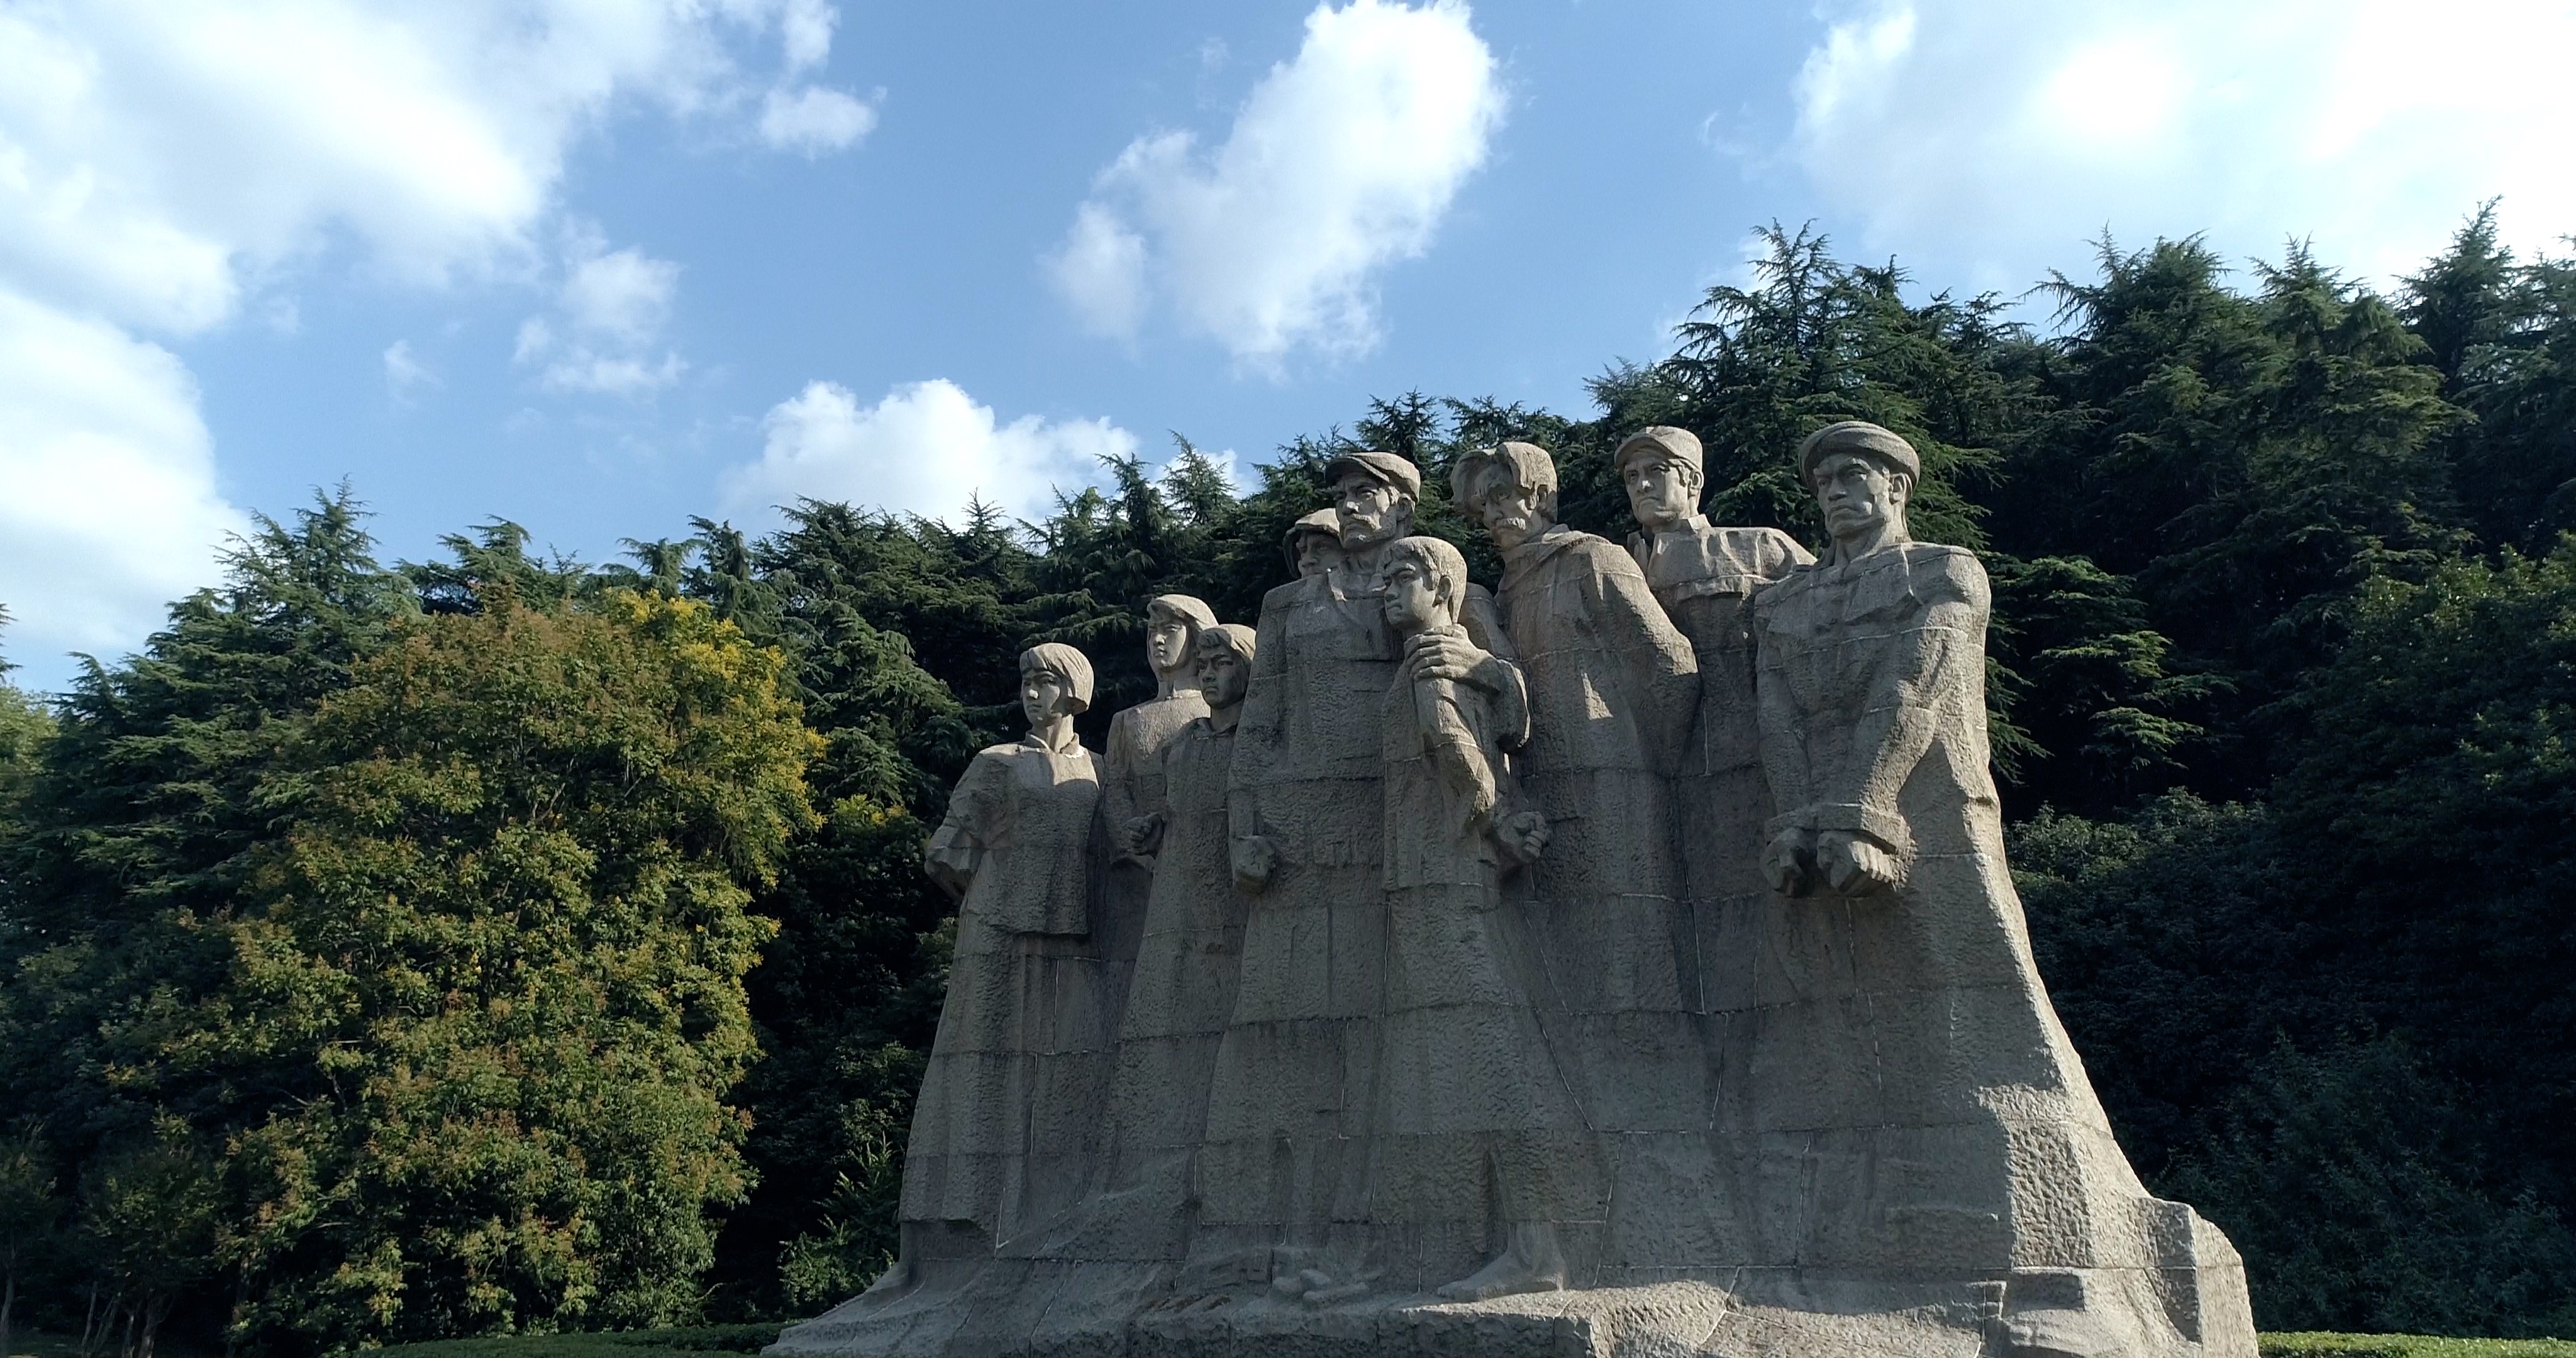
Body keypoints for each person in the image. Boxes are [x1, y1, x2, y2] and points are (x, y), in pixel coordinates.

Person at [1743, 421, 2230, 1353]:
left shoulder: (1940, 569)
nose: (1840, 491)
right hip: (1810, 823)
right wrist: (1797, 817)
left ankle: (2058, 1255)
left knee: (1988, 1011)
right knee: (1828, 1022)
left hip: (1926, 808)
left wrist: (1861, 808)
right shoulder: (1787, 602)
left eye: (1859, 475)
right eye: (1827, 480)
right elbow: (1777, 708)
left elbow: (1914, 686)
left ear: (1898, 488)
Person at [1368, 535, 1584, 1301]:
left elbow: (1455, 748)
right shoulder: (1440, 657)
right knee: (1474, 1057)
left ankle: (1536, 1246)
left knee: (1493, 1057)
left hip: (1442, 870)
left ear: (1444, 587)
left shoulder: (1433, 658)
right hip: (1440, 868)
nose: (1385, 591)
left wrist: (1489, 821)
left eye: (1402, 577)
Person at [887, 643, 1109, 1289]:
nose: (1031, 693)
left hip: (1075, 933)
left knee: (1067, 1073)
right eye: (1025, 683)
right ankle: (957, 1226)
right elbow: (946, 852)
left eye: (1044, 682)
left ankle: (1049, 1216)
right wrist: (993, 895)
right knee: (980, 1064)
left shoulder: (1099, 770)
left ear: (1073, 690)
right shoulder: (996, 763)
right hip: (998, 930)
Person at [1060, 624, 1260, 1262]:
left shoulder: (1257, 740)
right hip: (1173, 903)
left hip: (1232, 910)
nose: (1207, 672)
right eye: (1202, 661)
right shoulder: (1183, 745)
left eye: (1221, 661)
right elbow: (1168, 811)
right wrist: (1145, 830)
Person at [1615, 424, 1813, 927]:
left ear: (1693, 483)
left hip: (1752, 748)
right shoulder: (1614, 566)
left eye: (1656, 472)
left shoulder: (1760, 548)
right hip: (1653, 769)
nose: (1641, 485)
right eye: (1632, 476)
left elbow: (1824, 623)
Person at [1108, 595, 1220, 866]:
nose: (1157, 640)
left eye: (1169, 630)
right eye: (1152, 631)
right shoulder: (1126, 721)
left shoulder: (1215, 710)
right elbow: (1115, 794)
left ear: (1196, 635)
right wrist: (1135, 837)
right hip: (1139, 867)